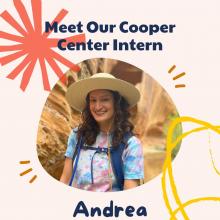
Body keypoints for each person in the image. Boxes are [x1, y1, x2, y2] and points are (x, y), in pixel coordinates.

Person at [60, 73, 144, 192]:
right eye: (93, 100)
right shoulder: (77, 135)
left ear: (117, 103)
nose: (97, 106)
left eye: (105, 99)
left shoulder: (131, 145)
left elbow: (130, 193)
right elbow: (65, 179)